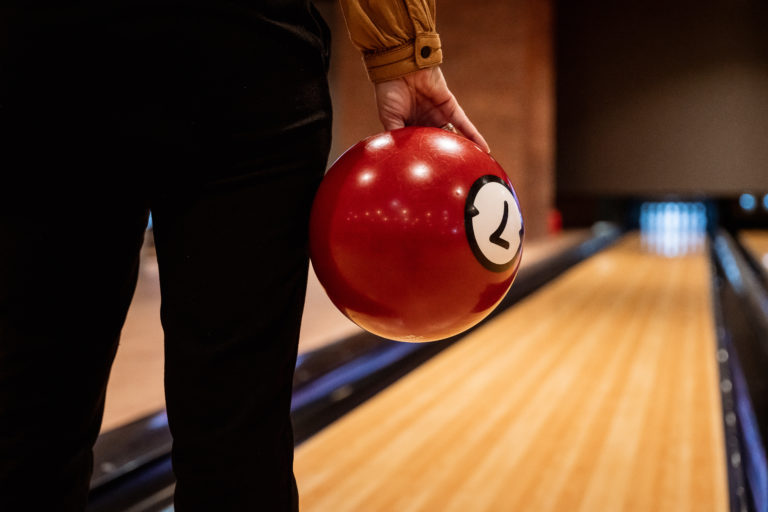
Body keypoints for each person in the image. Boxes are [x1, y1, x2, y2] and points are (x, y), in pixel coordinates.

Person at [0, 0, 487, 510]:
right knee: (236, 436)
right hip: (243, 50)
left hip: (45, 55)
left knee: (28, 418)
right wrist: (404, 52)